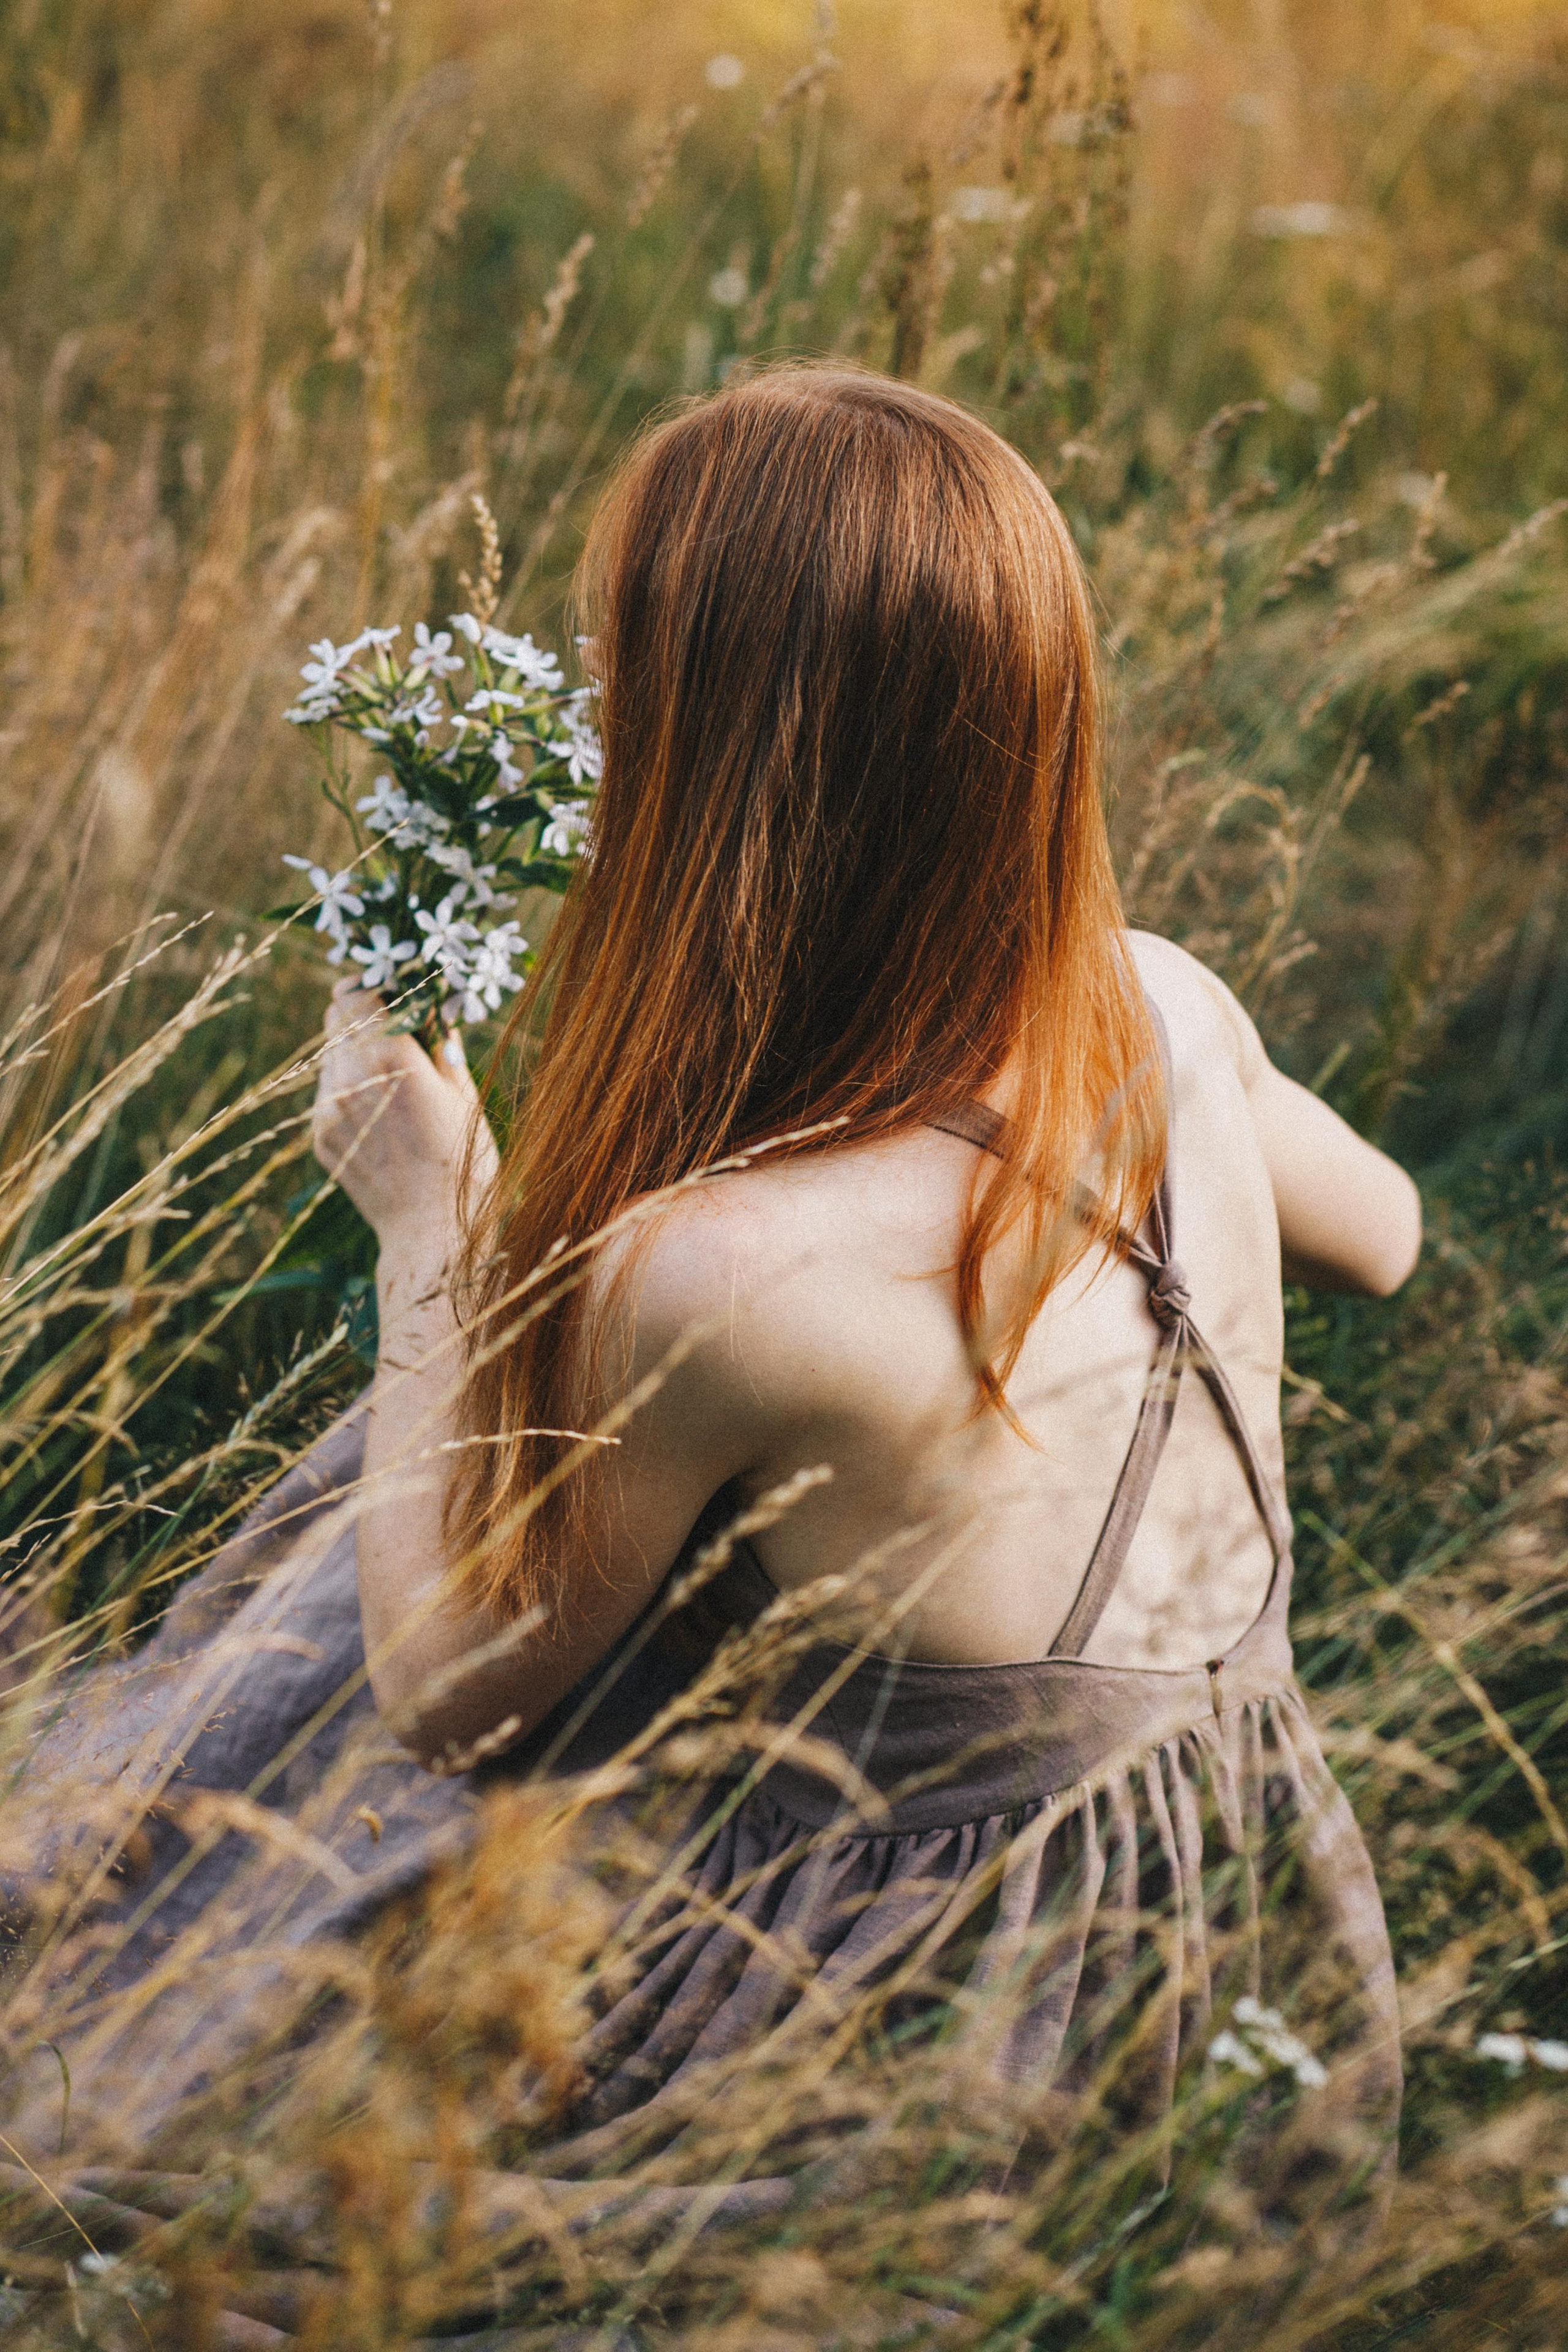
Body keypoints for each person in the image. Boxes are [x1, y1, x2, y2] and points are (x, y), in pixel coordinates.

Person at [7, 366, 1419, 2253]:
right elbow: (1387, 1235)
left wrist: (437, 1214)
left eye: (623, 682)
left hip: (925, 2028)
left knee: (210, 2119)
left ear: (722, 763)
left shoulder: (730, 1269)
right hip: (1245, 1949)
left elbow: (448, 1695)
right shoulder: (1168, 1004)